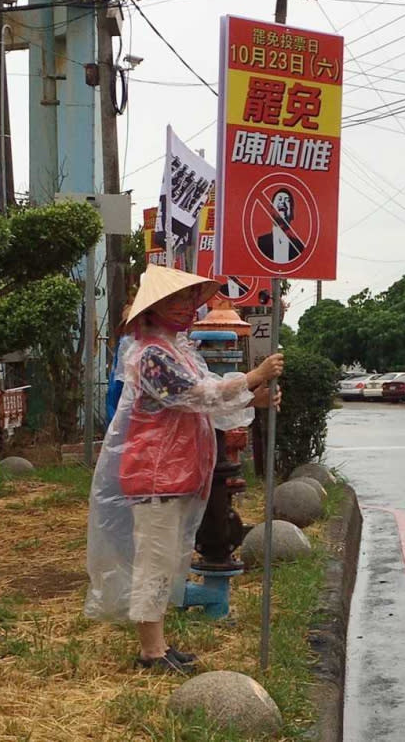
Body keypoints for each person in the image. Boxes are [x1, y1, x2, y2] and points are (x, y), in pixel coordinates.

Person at [85, 264, 283, 674]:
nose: (186, 307)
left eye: (188, 299)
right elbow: (194, 395)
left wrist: (253, 399)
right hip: (156, 473)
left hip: (174, 473)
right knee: (155, 563)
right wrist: (252, 379)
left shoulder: (178, 350)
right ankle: (150, 653)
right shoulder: (151, 354)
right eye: (174, 301)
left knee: (167, 561)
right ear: (152, 309)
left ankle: (157, 644)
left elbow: (207, 402)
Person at [257, 188, 304, 263]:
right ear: (271, 210)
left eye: (287, 200)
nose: (283, 202)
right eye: (279, 199)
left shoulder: (299, 247)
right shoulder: (259, 243)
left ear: (292, 213)